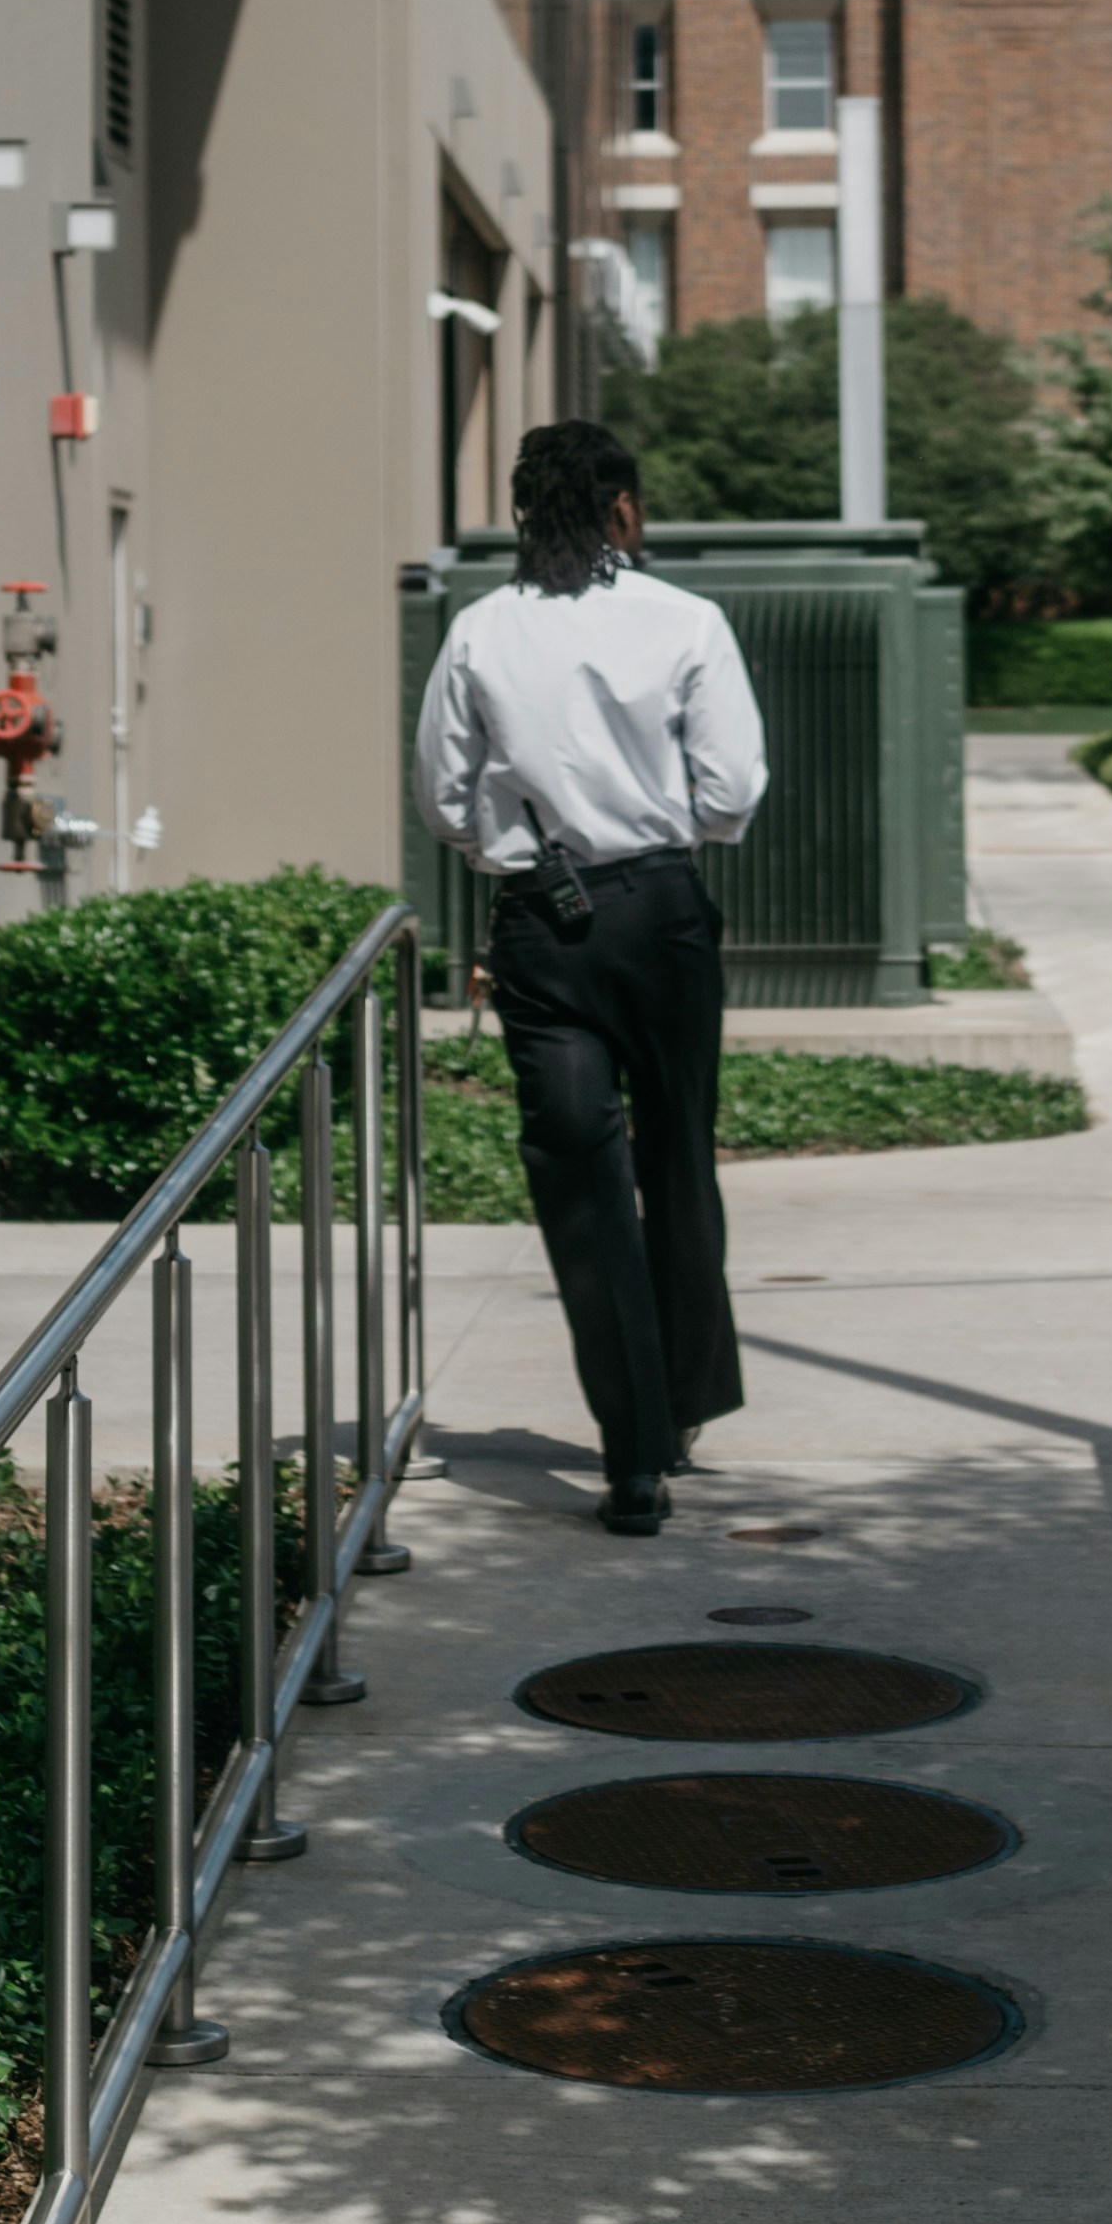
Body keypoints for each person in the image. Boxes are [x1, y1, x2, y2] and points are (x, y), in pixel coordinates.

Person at [412, 418, 771, 1532]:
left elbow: (443, 793)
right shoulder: (686, 620)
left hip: (541, 923)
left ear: (527, 511)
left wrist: (509, 851)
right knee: (677, 1157)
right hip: (661, 914)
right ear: (622, 507)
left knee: (578, 1178)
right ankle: (687, 1400)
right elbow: (733, 792)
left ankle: (634, 1449)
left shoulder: (478, 628)